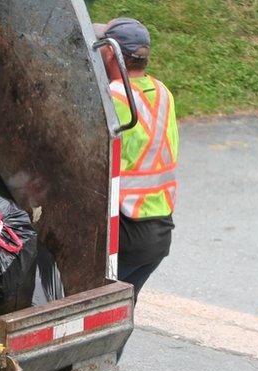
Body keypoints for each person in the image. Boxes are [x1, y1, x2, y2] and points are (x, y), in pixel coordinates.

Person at [94, 18, 178, 301]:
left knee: (94, 307)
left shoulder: (113, 96)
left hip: (126, 232)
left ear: (109, 52)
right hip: (159, 233)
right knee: (118, 312)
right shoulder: (162, 92)